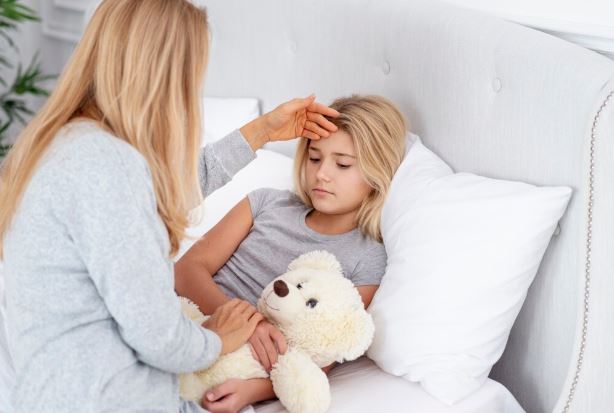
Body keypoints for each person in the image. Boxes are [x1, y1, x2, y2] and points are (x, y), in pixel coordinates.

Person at [0, 1, 338, 412]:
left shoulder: (65, 144)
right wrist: (216, 338)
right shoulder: (107, 166)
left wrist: (260, 132)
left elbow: (161, 195)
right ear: (167, 78)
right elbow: (160, 338)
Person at [175, 94, 408, 412]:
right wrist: (247, 325)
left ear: (377, 172)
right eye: (314, 158)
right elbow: (187, 269)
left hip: (236, 365)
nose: (322, 173)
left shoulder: (367, 257)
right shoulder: (266, 203)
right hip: (184, 322)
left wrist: (253, 391)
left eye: (342, 164)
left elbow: (325, 350)